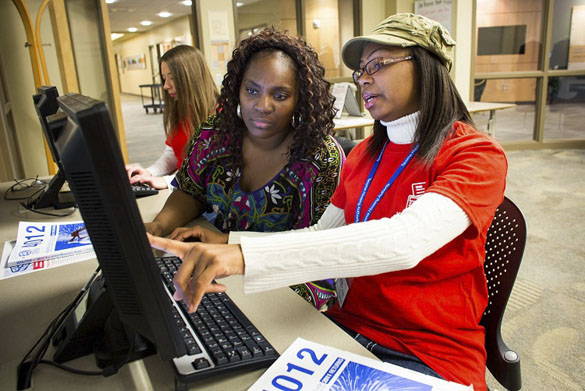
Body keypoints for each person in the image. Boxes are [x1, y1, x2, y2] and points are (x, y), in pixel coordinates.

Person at [148, 14, 508, 390]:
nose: (364, 78)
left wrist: (241, 256)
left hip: (428, 350)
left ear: (427, 66)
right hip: (348, 329)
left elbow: (405, 242)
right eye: (360, 71)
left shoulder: (474, 154)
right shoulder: (365, 154)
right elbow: (320, 233)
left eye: (378, 65)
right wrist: (229, 245)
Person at [147, 28, 345, 310]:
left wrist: (231, 242)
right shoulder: (214, 135)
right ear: (237, 89)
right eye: (252, 90)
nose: (262, 106)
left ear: (300, 99)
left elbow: (316, 246)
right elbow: (191, 190)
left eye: (280, 95)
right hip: (217, 272)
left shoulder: (319, 158)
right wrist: (159, 225)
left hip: (284, 287)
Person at [126, 45, 218, 189]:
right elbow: (173, 154)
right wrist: (149, 173)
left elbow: (210, 172)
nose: (165, 86)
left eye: (172, 78)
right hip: (183, 188)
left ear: (192, 77)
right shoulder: (183, 108)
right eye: (164, 78)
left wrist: (167, 181)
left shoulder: (220, 115)